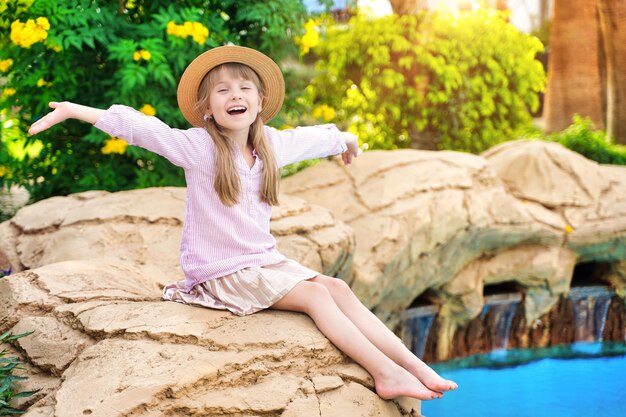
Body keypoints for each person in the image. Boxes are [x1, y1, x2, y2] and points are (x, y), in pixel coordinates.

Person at [29, 45, 457, 401]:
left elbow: (312, 138)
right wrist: (73, 109)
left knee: (337, 288)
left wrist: (346, 139)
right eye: (222, 90)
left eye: (244, 87)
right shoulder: (198, 148)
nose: (235, 95)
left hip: (261, 262)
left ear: (258, 102)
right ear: (208, 108)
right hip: (220, 272)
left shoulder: (268, 145)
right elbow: (143, 128)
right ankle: (385, 373)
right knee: (315, 297)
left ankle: (413, 364)